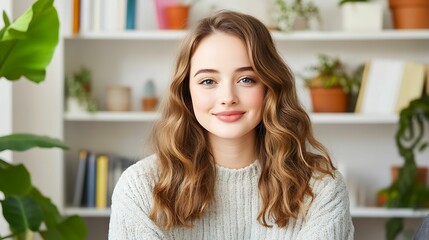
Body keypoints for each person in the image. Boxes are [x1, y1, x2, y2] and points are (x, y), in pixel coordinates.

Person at [109, 10, 354, 240]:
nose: (228, 97)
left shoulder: (321, 189)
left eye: (246, 79)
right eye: (208, 81)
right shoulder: (141, 188)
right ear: (186, 92)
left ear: (270, 87)